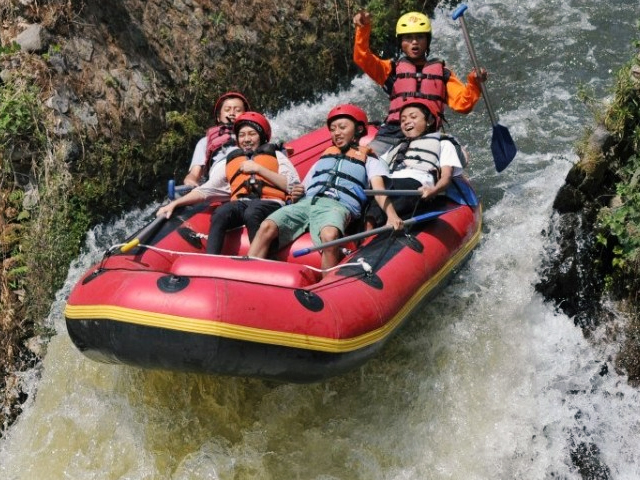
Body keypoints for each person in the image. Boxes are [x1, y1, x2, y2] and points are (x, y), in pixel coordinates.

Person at [248, 104, 403, 272]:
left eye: (342, 127)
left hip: (337, 206)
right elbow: (302, 188)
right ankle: (247, 272)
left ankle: (326, 283)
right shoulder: (323, 159)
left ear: (359, 129)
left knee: (330, 236)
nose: (337, 133)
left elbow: (379, 192)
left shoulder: (371, 160)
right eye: (333, 129)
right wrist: (296, 193)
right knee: (266, 226)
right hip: (307, 203)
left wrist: (392, 216)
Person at [158, 112, 300, 255]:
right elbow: (206, 190)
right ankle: (211, 259)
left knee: (253, 212)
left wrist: (259, 169)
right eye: (242, 135)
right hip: (242, 204)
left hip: (271, 203)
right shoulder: (232, 161)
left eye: (252, 134)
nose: (246, 139)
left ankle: (262, 260)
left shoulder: (277, 156)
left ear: (262, 137)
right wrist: (175, 203)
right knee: (221, 212)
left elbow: (292, 185)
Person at [352, 10, 486, 155]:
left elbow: (463, 104)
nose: (414, 42)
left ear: (427, 40)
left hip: (426, 134)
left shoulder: (443, 73)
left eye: (420, 37)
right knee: (363, 160)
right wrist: (363, 28)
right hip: (391, 133)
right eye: (408, 37)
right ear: (400, 42)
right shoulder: (390, 70)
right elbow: (362, 57)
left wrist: (474, 82)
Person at [364, 97, 468, 228]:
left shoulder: (443, 144)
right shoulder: (395, 148)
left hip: (415, 186)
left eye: (413, 117)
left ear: (429, 120)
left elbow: (446, 176)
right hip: (390, 184)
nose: (407, 122)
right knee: (370, 194)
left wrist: (434, 190)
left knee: (375, 207)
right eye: (403, 120)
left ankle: (370, 229)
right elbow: (377, 168)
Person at [183, 91, 250, 187]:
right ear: (219, 117)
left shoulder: (254, 136)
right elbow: (194, 173)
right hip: (220, 174)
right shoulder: (205, 142)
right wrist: (190, 179)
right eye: (227, 110)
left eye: (238, 110)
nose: (232, 113)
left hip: (248, 168)